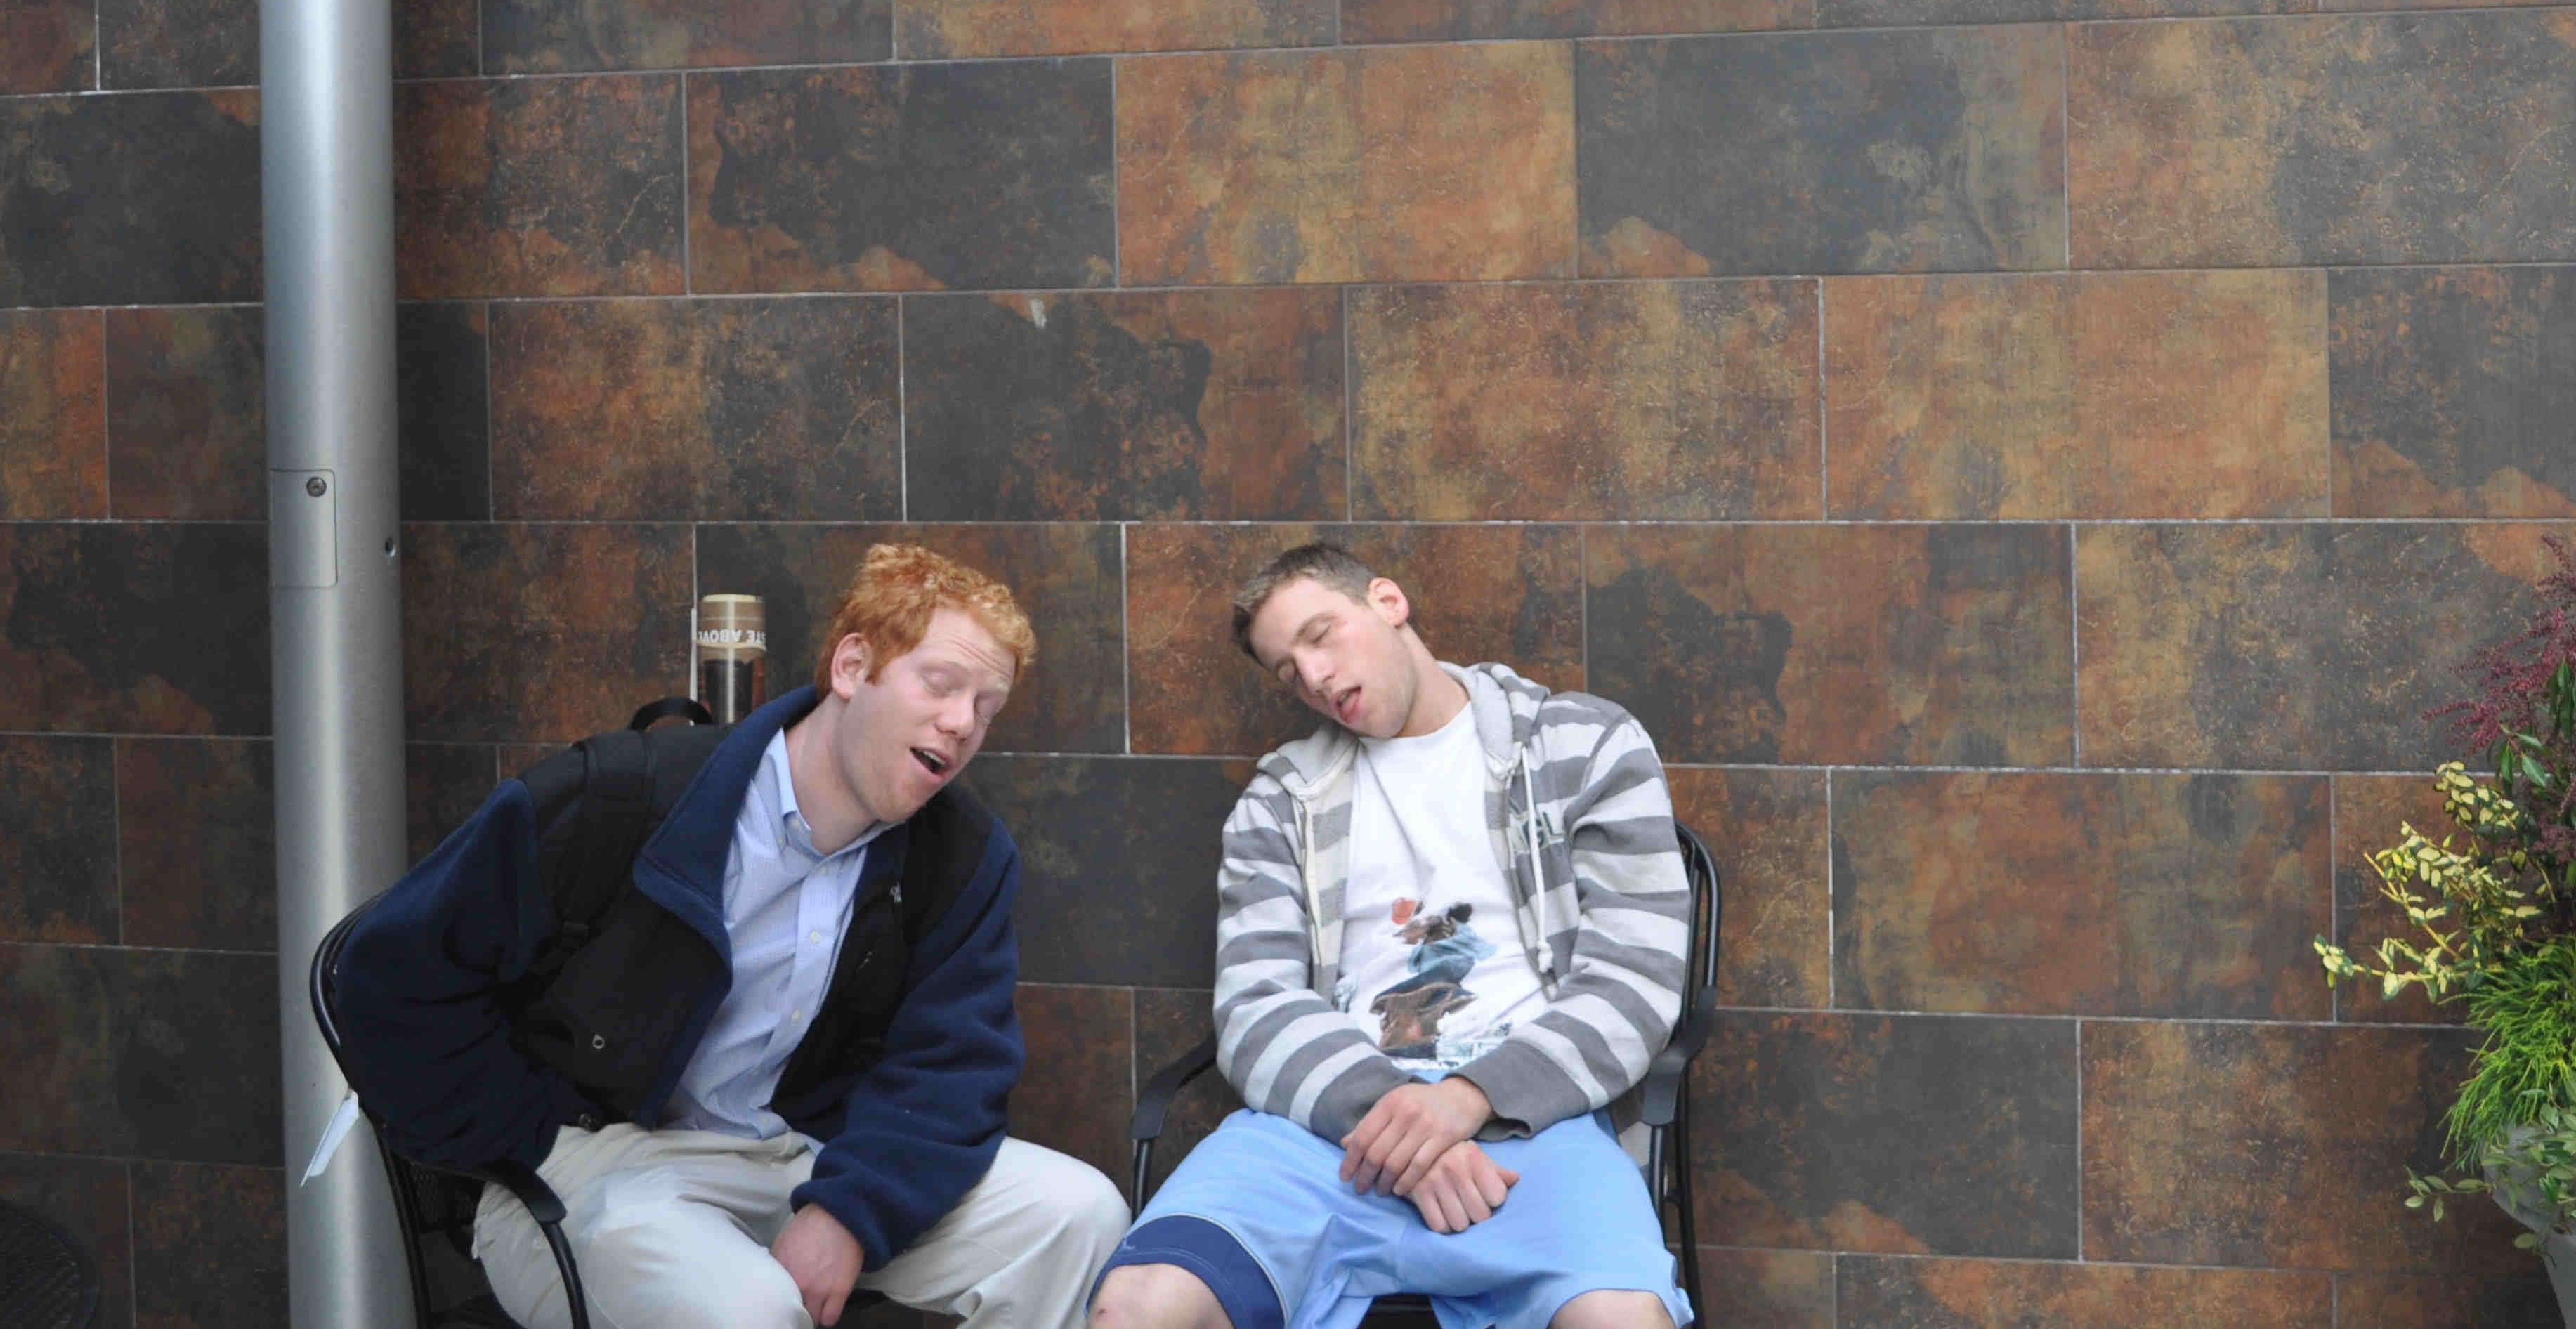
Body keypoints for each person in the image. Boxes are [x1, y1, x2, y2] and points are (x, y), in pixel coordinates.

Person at [333, 542, 1130, 1329]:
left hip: (802, 1154)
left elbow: (954, 1066)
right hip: (594, 1171)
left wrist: (848, 1212)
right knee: (749, 1308)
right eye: (941, 684)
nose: (961, 723)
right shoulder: (619, 794)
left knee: (1077, 1214)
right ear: (852, 667)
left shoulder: (962, 853)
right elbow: (386, 976)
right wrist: (529, 1136)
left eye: (986, 709)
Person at [1090, 544, 1693, 1329]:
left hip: (1537, 1121)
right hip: (1328, 1127)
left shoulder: (1583, 745)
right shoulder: (1282, 800)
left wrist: (1467, 1101)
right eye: (1287, 672)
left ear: (1388, 601)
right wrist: (1402, 1120)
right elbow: (1254, 1006)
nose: (1313, 676)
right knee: (1136, 1304)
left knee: (1622, 1319)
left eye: (1321, 635)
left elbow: (1634, 982)